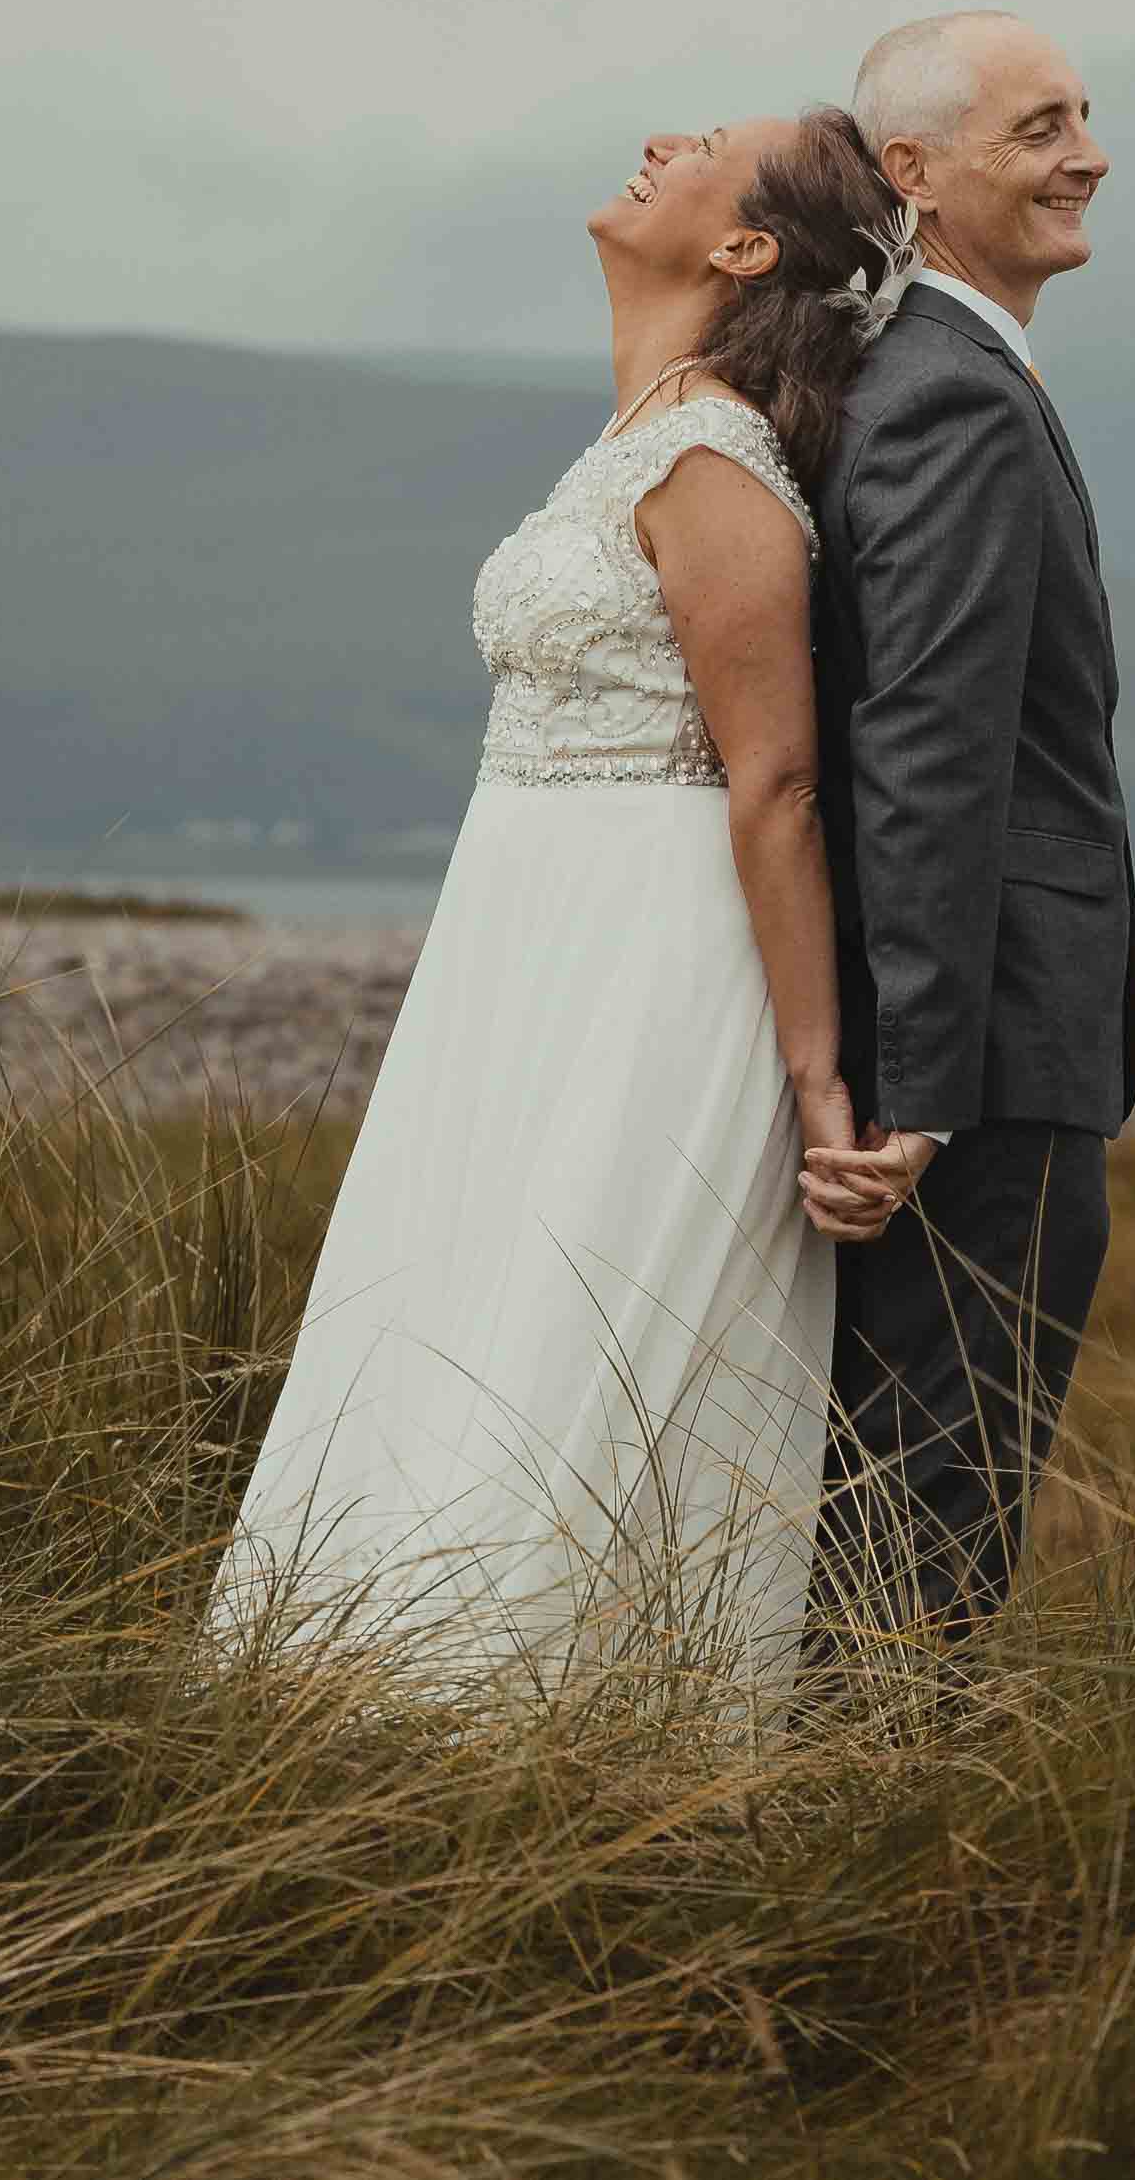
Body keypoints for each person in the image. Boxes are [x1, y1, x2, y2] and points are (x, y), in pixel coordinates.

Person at [214, 102, 924, 1698]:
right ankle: (367, 1694)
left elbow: (780, 784)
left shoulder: (714, 457)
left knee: (569, 1332)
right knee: (455, 1303)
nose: (663, 133)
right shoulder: (634, 432)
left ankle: (531, 1720)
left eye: (711, 142)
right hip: (519, 945)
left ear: (744, 247)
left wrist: (819, 1079)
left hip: (650, 963)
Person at [801, 10, 1135, 1640]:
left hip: (972, 1045)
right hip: (985, 1064)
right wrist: (929, 1087)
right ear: (915, 174)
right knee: (937, 1506)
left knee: (898, 1488)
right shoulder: (952, 402)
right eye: (1039, 127)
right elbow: (926, 749)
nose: (1086, 152)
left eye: (1083, 115)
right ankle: (876, 1849)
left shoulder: (920, 374)